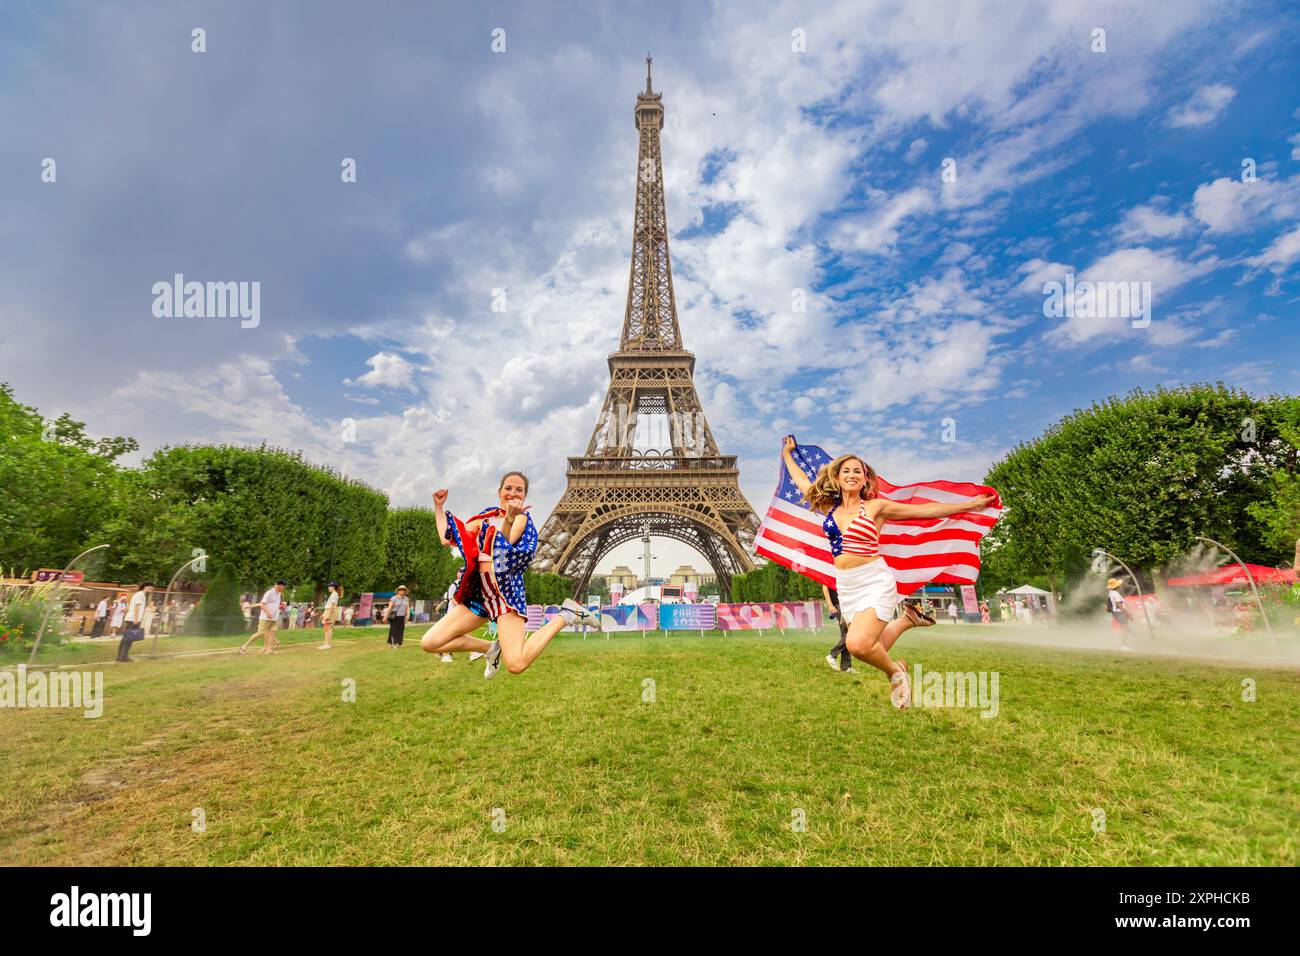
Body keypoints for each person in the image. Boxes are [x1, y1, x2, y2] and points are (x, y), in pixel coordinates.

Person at [780, 436, 996, 709]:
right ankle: (907, 620)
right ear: (836, 476)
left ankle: (896, 672)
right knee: (872, 642)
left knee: (857, 645)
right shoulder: (828, 507)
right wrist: (787, 456)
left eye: (857, 471)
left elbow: (924, 511)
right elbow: (802, 484)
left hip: (874, 579)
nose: (851, 474)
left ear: (865, 479)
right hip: (846, 585)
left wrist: (971, 506)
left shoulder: (875, 507)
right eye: (846, 470)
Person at [420, 471, 600, 679]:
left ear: (524, 496)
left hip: (506, 596)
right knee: (430, 642)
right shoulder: (485, 518)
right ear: (499, 492)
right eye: (508, 488)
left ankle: (567, 615)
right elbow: (446, 538)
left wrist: (510, 518)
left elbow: (501, 553)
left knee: (516, 664)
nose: (513, 492)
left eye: (519, 489)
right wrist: (439, 507)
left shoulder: (521, 519)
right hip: (480, 595)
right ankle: (490, 648)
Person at [240, 581, 286, 655]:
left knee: (271, 633)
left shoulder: (279, 594)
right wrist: (268, 613)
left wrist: (278, 610)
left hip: (274, 618)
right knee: (260, 633)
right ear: (279, 586)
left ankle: (268, 650)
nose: (284, 589)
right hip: (265, 618)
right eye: (283, 587)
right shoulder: (269, 593)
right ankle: (244, 646)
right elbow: (262, 604)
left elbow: (272, 605)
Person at [116, 582, 153, 662]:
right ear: (145, 586)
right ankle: (123, 657)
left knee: (126, 638)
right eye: (150, 587)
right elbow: (137, 607)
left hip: (131, 618)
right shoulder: (140, 595)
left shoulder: (140, 594)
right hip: (133, 619)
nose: (151, 589)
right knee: (128, 639)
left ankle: (121, 656)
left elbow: (131, 607)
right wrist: (136, 619)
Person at [821, 584, 855, 673]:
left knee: (847, 633)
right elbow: (825, 587)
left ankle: (846, 666)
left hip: (845, 605)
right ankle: (832, 655)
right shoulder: (830, 570)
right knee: (850, 632)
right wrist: (830, 605)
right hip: (838, 606)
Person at [1106, 578, 1133, 650]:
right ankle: (1124, 646)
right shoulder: (1115, 594)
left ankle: (1125, 644)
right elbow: (1119, 605)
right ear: (1117, 586)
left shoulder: (1111, 593)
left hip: (1117, 612)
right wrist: (1128, 613)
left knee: (1125, 628)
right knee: (1125, 629)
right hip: (1119, 612)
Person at [319, 582, 341, 650]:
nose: (328, 587)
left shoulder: (334, 594)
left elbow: (332, 605)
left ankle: (327, 644)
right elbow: (328, 605)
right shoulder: (333, 594)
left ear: (333, 587)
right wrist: (323, 614)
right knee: (327, 628)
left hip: (330, 611)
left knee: (328, 628)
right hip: (328, 611)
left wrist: (328, 614)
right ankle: (327, 643)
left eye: (330, 586)